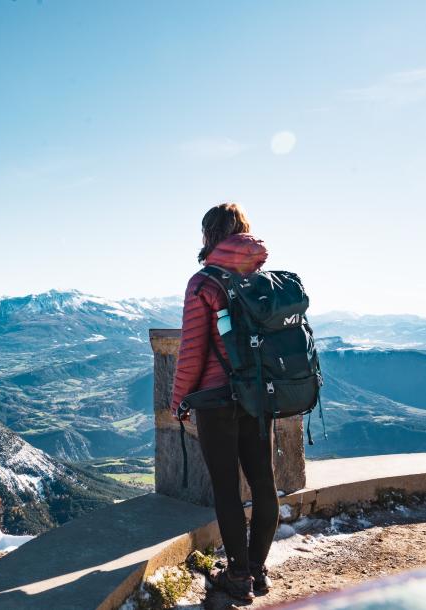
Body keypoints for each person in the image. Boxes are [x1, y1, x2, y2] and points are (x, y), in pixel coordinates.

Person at [170, 203, 279, 602]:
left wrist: (180, 398)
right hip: (258, 396)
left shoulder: (204, 283)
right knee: (264, 482)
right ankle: (257, 569)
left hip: (217, 401)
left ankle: (237, 576)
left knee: (227, 489)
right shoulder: (263, 280)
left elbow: (193, 351)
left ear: (210, 236)